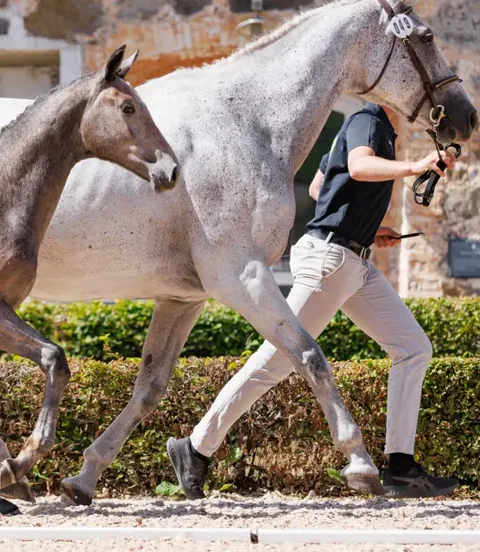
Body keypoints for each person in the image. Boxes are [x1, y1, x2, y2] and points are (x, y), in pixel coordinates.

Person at [168, 102, 459, 499]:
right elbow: (358, 168)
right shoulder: (368, 120)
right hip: (330, 260)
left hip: (353, 261)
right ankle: (196, 447)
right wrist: (413, 167)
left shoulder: (367, 127)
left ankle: (402, 467)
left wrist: (367, 228)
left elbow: (320, 187)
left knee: (413, 349)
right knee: (275, 361)